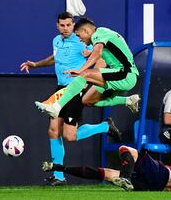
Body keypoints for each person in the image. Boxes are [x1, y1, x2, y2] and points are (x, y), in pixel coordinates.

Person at [20, 12, 121, 186]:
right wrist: (35, 64)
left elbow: (100, 60)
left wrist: (88, 80)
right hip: (60, 89)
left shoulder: (82, 41)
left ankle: (105, 126)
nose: (65, 28)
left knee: (70, 136)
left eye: (69, 25)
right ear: (57, 26)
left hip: (74, 89)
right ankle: (59, 176)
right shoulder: (56, 41)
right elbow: (55, 58)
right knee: (53, 130)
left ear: (74, 26)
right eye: (62, 25)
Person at [35, 17, 140, 118]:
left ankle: (56, 107)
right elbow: (111, 52)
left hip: (126, 74)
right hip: (121, 75)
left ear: (85, 31)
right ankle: (128, 100)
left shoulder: (98, 34)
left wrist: (81, 70)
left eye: (79, 35)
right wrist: (90, 54)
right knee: (87, 100)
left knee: (85, 74)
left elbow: (97, 53)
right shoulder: (104, 34)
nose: (80, 40)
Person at [42, 145, 171, 191]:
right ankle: (60, 167)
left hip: (162, 174)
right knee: (106, 174)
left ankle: (126, 177)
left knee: (127, 150)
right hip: (153, 186)